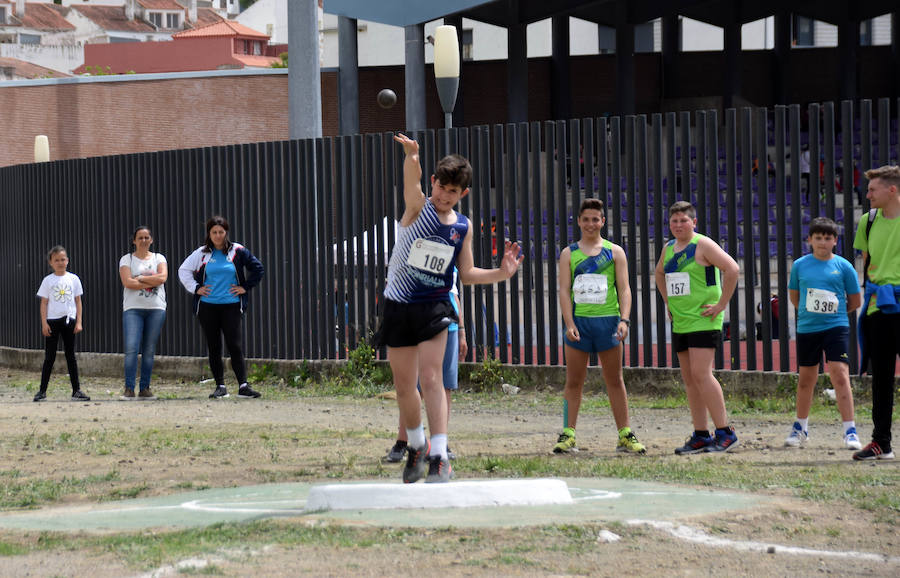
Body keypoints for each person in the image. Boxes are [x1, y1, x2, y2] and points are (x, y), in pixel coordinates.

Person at [376, 133, 523, 484]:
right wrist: (412, 156)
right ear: (434, 183)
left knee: (432, 378)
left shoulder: (462, 227)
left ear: (463, 194)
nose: (444, 196)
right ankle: (416, 445)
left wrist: (502, 272)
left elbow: (467, 273)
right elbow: (411, 184)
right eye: (441, 187)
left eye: (453, 192)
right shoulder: (417, 209)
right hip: (399, 303)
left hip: (435, 305)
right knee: (404, 385)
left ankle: (440, 455)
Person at [552, 198, 646, 455]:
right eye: (586, 219)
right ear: (579, 222)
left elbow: (625, 289)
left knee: (615, 380)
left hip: (609, 323)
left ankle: (625, 434)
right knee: (574, 382)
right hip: (580, 324)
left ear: (602, 221)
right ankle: (568, 434)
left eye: (596, 219)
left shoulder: (615, 252)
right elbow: (563, 290)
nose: (591, 224)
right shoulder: (569, 253)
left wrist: (624, 320)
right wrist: (569, 322)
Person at [655, 201, 740, 454]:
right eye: (674, 221)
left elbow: (732, 269)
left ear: (694, 222)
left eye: (684, 220)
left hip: (704, 318)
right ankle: (701, 434)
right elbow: (659, 274)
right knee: (690, 379)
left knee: (702, 374)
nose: (678, 225)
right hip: (681, 319)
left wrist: (721, 305)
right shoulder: (669, 248)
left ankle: (725, 431)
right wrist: (668, 302)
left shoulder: (703, 245)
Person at [785, 217, 861, 449]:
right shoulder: (800, 265)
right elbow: (795, 297)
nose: (822, 242)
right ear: (810, 240)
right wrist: (812, 314)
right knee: (806, 379)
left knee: (839, 374)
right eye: (818, 238)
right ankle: (800, 427)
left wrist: (835, 314)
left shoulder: (844, 266)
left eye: (828, 238)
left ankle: (850, 430)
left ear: (835, 241)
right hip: (808, 328)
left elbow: (855, 300)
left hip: (836, 326)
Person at [178, 216, 264, 399]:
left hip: (231, 306)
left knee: (235, 345)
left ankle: (243, 386)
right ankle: (220, 386)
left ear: (226, 233)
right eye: (214, 232)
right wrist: (196, 288)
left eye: (221, 232)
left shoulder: (238, 251)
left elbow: (258, 268)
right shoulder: (201, 253)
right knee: (214, 346)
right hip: (208, 307)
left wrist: (245, 287)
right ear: (209, 234)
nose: (217, 236)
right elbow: (183, 270)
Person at [385, 270, 466, 463]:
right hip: (421, 322)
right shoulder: (413, 252)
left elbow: (454, 295)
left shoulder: (451, 258)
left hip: (449, 325)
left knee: (444, 386)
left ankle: (440, 443)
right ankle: (403, 442)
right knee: (414, 386)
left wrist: (462, 331)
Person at [852, 165, 900, 461]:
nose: (867, 194)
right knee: (881, 379)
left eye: (873, 190)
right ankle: (881, 442)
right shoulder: (867, 221)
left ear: (892, 190)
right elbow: (868, 263)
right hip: (878, 308)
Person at [34, 246, 89, 402]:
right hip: (52, 322)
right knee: (49, 357)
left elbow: (78, 302)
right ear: (51, 262)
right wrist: (44, 324)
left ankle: (76, 390)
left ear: (67, 261)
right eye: (56, 260)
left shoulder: (73, 279)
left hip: (69, 320)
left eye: (63, 259)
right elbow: (44, 303)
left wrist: (79, 321)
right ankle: (42, 391)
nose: (60, 262)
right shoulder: (48, 280)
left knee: (70, 356)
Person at [119, 226, 168, 399]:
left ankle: (145, 388)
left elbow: (162, 278)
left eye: (147, 237)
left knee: (149, 350)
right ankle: (129, 388)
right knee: (132, 348)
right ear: (134, 241)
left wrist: (139, 278)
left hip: (156, 309)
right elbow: (127, 282)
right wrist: (151, 281)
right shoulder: (126, 259)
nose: (144, 241)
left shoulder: (158, 258)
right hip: (133, 309)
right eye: (140, 238)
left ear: (151, 240)